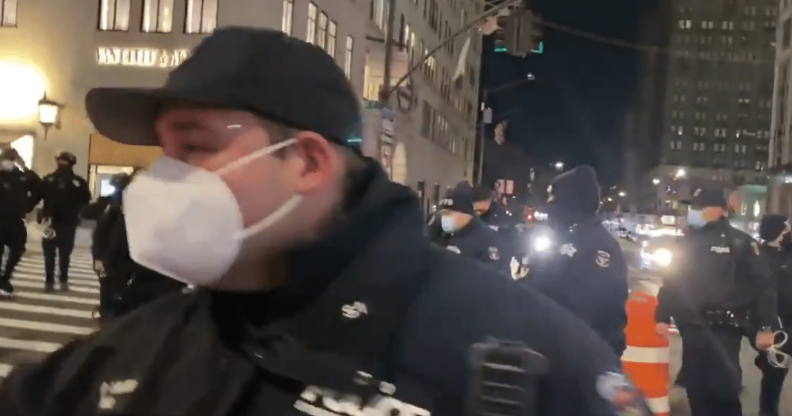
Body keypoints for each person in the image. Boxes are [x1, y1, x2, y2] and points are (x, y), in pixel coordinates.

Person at [0, 27, 636, 416]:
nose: (162, 180)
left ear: (306, 160)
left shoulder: (526, 362)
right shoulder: (145, 343)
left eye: (195, 148)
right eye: (162, 153)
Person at [655, 183, 778, 416]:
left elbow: (763, 287)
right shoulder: (686, 242)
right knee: (696, 390)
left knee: (723, 394)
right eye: (695, 206)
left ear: (722, 209)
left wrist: (766, 325)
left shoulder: (740, 242)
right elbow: (672, 280)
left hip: (725, 330)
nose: (697, 211)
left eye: (704, 207)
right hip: (692, 329)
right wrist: (662, 314)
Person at [521, 165, 628, 356]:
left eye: (553, 198)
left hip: (579, 354)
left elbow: (600, 309)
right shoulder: (556, 236)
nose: (549, 205)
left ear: (569, 201)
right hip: (544, 347)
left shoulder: (601, 247)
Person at [81, 170, 186, 322]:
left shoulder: (168, 212)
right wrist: (100, 258)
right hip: (122, 271)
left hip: (154, 278)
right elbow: (103, 234)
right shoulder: (115, 207)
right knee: (113, 301)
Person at [754, 214, 792, 416]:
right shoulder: (758, 255)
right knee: (774, 375)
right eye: (785, 229)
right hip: (777, 325)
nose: (788, 232)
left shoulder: (788, 253)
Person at [38, 151, 91, 292]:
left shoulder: (79, 182)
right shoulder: (49, 179)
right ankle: (49, 281)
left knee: (64, 254)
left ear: (71, 164)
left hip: (68, 224)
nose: (61, 165)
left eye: (64, 162)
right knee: (48, 253)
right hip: (51, 223)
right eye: (59, 162)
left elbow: (86, 201)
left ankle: (63, 279)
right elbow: (39, 196)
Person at [430, 182, 506, 270]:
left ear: (467, 214)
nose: (445, 218)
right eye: (443, 214)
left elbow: (492, 273)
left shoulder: (487, 238)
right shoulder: (437, 231)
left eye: (450, 213)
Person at [0, 148, 42, 297]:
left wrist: (28, 206)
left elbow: (39, 187)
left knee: (18, 249)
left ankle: (5, 277)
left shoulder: (22, 177)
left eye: (11, 159)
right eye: (6, 158)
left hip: (15, 220)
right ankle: (2, 282)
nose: (7, 162)